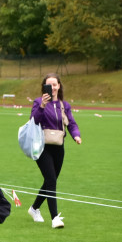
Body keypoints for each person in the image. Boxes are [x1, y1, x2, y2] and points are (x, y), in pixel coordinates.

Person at [28, 73, 82, 229]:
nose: (52, 87)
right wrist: (43, 106)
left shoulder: (64, 105)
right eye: (48, 85)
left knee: (49, 181)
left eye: (54, 84)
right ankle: (54, 218)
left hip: (59, 146)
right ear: (44, 87)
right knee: (51, 180)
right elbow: (34, 121)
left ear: (59, 86)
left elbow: (71, 123)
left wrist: (76, 135)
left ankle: (34, 208)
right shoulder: (38, 102)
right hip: (42, 146)